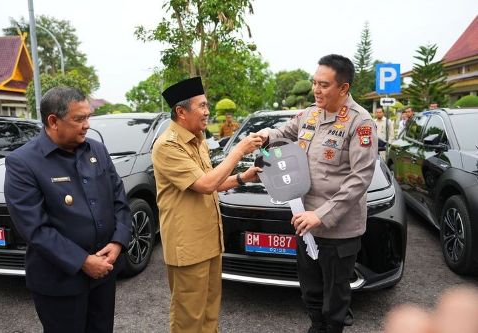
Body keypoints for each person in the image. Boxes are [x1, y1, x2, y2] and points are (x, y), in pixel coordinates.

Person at [257, 54, 378, 333]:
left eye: (323, 85)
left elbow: (359, 179)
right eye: (314, 83)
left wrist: (321, 215)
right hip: (304, 223)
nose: (316, 90)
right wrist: (264, 136)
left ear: (344, 88)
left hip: (338, 229)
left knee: (335, 297)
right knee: (310, 290)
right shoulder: (310, 114)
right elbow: (282, 132)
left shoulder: (360, 123)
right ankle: (316, 326)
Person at [4, 86, 132, 333]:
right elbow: (35, 228)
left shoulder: (97, 150)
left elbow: (119, 199)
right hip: (60, 281)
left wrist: (118, 242)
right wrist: (83, 261)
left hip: (104, 272)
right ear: (53, 121)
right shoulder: (23, 162)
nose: (87, 125)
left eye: (88, 117)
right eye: (79, 119)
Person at [152, 77, 263, 333]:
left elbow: (209, 181)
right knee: (189, 320)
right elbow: (205, 185)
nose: (207, 111)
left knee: (210, 315)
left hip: (210, 242)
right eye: (201, 106)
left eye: (207, 105)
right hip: (188, 248)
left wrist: (241, 178)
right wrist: (238, 151)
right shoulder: (167, 145)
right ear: (181, 112)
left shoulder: (196, 138)